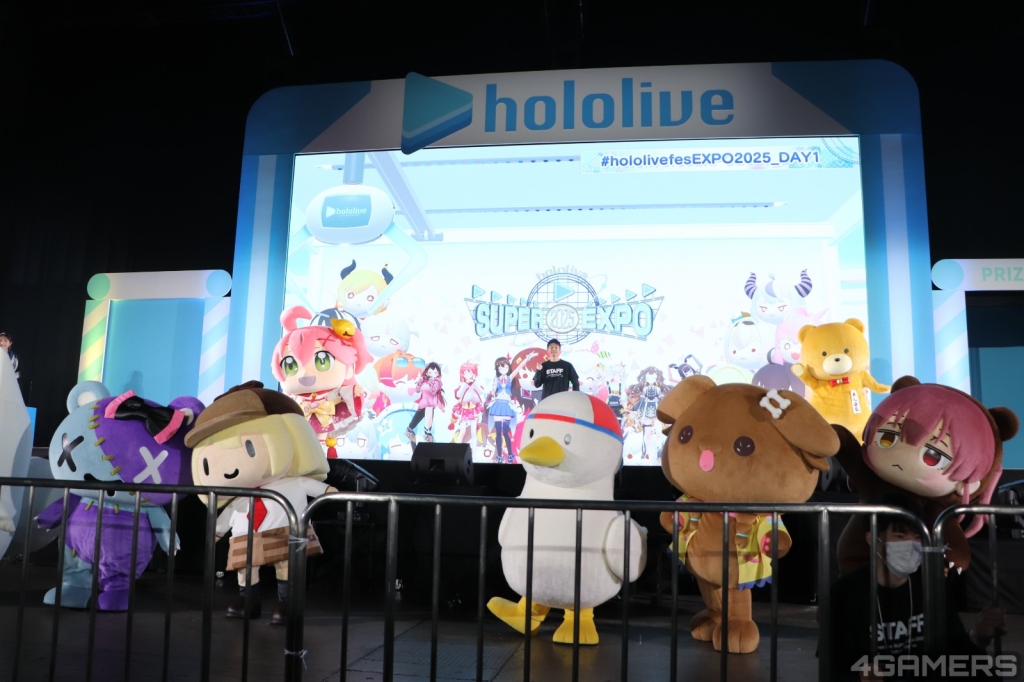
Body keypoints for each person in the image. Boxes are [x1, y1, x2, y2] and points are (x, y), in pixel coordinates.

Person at [828, 492, 1006, 681]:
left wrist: (978, 635)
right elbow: (833, 667)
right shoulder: (846, 592)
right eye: (900, 535)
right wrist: (859, 678)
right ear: (873, 540)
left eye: (917, 536)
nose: (911, 544)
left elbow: (957, 653)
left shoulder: (931, 584)